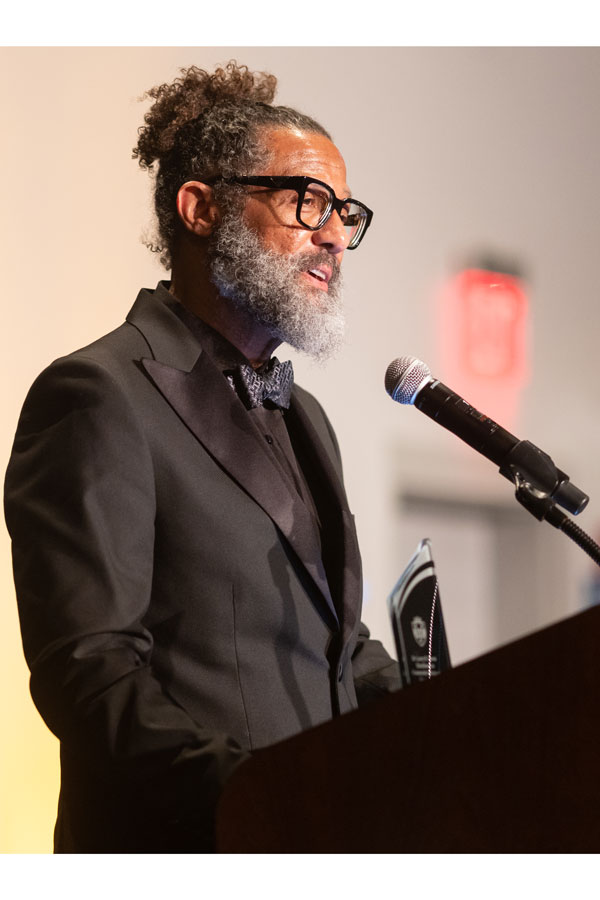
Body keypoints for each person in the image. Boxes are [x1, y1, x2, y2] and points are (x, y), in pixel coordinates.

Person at [4, 61, 400, 853]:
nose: (332, 235)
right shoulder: (96, 393)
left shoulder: (306, 417)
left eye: (343, 212)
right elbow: (91, 670)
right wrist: (266, 797)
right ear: (200, 207)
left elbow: (336, 648)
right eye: (306, 202)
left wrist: (465, 721)